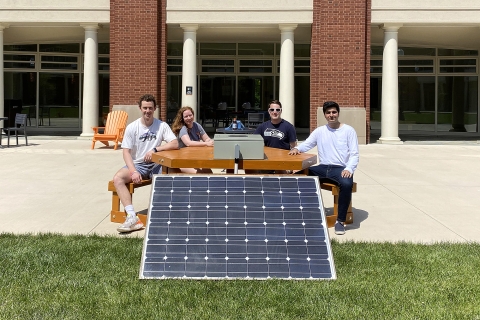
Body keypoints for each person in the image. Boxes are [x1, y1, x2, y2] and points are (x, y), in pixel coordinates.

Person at [288, 101, 359, 235]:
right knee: (298, 175)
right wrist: (296, 148)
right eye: (328, 113)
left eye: (334, 112)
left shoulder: (348, 130)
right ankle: (306, 212)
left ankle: (340, 221)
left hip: (340, 168)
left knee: (346, 183)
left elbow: (355, 154)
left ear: (338, 113)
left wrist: (349, 169)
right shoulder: (320, 131)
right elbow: (307, 144)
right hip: (322, 168)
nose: (331, 115)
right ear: (325, 115)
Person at [112, 94, 179, 233]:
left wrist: (155, 149)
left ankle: (165, 214)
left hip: (157, 163)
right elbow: (126, 152)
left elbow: (175, 143)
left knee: (170, 177)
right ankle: (132, 216)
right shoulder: (132, 127)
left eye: (150, 108)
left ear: (154, 108)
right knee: (118, 178)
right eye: (145, 108)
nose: (147, 111)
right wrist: (133, 171)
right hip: (138, 165)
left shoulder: (161, 125)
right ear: (140, 108)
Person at [171, 106, 214, 173]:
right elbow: (188, 143)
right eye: (186, 116)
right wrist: (206, 143)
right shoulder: (182, 128)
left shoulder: (197, 125)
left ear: (193, 115)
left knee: (209, 172)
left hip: (194, 158)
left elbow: (207, 139)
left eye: (190, 115)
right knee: (199, 173)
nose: (189, 118)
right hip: (182, 161)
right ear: (182, 118)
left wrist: (211, 142)